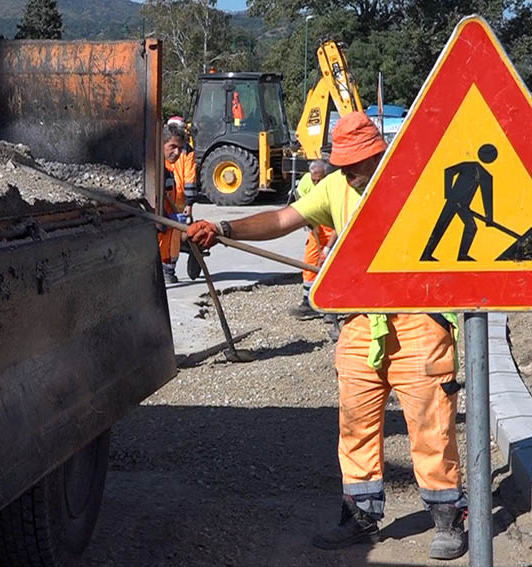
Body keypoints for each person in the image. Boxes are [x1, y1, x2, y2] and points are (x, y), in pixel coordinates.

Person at [186, 112, 468, 561]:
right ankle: (360, 516)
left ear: (378, 153)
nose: (349, 172)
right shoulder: (337, 187)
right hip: (359, 321)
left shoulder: (412, 179)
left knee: (430, 423)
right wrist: (224, 229)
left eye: (357, 163)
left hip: (418, 320)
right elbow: (283, 219)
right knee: (355, 425)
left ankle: (447, 516)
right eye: (343, 164)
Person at [288, 160, 335, 321]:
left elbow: (340, 223)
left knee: (332, 265)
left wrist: (328, 248)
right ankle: (308, 303)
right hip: (317, 227)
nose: (316, 183)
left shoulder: (334, 186)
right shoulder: (306, 182)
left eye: (319, 179)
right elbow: (300, 201)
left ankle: (332, 306)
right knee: (310, 262)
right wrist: (306, 219)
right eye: (314, 180)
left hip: (334, 228)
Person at [161, 122, 196, 283]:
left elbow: (190, 177)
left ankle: (168, 269)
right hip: (167, 214)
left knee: (173, 238)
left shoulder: (170, 169)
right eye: (173, 147)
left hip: (177, 203)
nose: (177, 152)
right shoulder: (158, 169)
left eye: (180, 149)